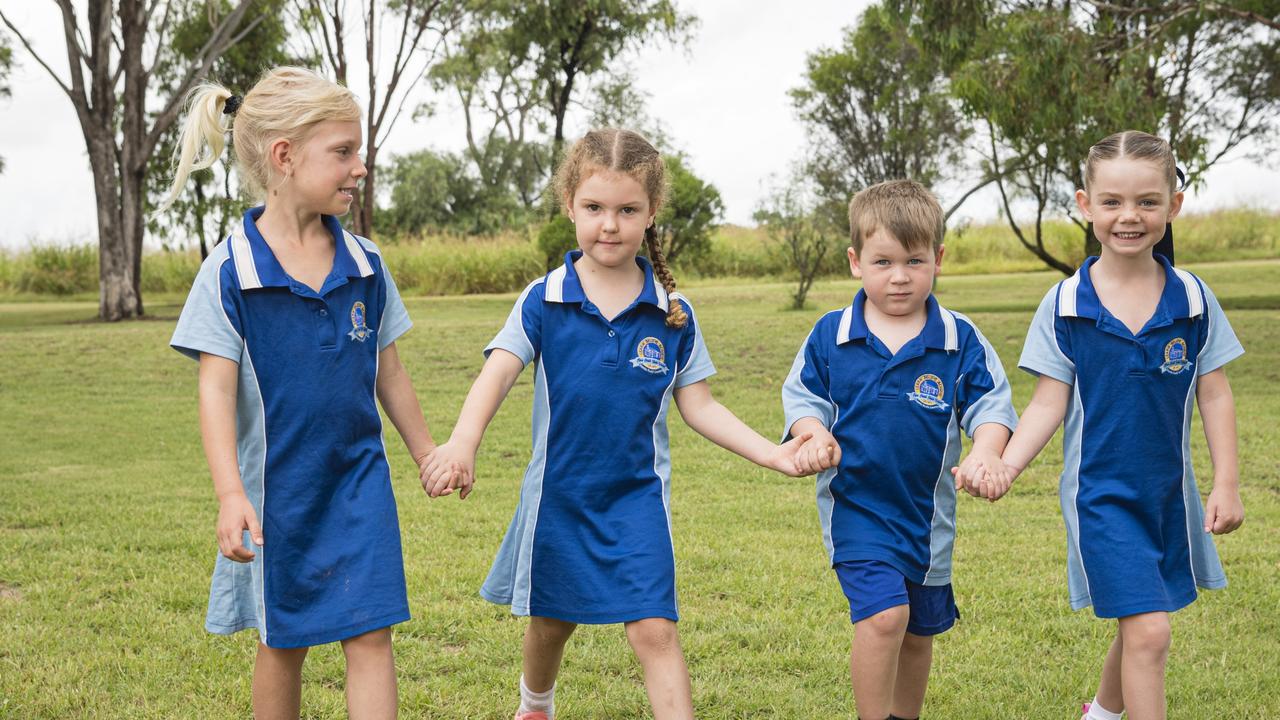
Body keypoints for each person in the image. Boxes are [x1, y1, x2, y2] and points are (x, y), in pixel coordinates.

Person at [419, 128, 821, 720]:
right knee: (552, 622)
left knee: (655, 631)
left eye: (627, 210)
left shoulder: (672, 314)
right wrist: (462, 442)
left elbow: (700, 405)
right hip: (558, 498)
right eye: (595, 208)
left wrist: (773, 453)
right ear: (570, 207)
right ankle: (535, 706)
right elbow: (497, 374)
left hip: (637, 501)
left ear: (650, 213)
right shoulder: (544, 299)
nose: (609, 224)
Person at [166, 67, 450, 719]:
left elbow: (391, 372)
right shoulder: (230, 271)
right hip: (277, 493)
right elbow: (214, 390)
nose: (360, 166)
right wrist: (230, 493)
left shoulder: (365, 264)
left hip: (360, 482)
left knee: (371, 632)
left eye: (359, 150)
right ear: (285, 157)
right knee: (283, 641)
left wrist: (426, 451)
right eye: (344, 151)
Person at [999, 130, 1245, 720]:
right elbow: (1046, 405)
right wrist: (1006, 464)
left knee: (1143, 620)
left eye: (1146, 201)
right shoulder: (1064, 305)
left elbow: (1214, 394)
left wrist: (1227, 482)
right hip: (1101, 498)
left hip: (1168, 496)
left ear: (1173, 205)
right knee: (1152, 632)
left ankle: (1101, 715)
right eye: (1111, 202)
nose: (1128, 216)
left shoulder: (1192, 299)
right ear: (1085, 205)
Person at [782, 180, 1018, 720]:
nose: (899, 276)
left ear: (938, 258)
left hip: (928, 517)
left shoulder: (959, 339)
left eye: (914, 260)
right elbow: (802, 398)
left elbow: (992, 408)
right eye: (883, 261)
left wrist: (987, 451)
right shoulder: (830, 335)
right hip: (859, 509)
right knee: (885, 617)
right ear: (855, 262)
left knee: (917, 631)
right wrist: (812, 433)